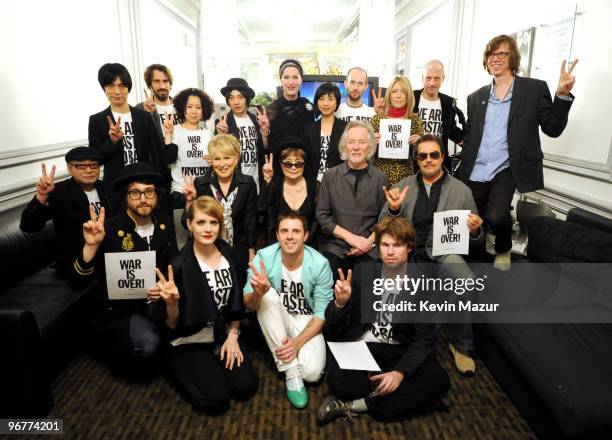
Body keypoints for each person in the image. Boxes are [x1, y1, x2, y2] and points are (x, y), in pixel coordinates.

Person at [316, 216, 449, 424]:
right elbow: (335, 325)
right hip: (365, 345)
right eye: (385, 245)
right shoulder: (365, 272)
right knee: (336, 380)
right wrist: (340, 304)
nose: (390, 252)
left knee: (439, 380)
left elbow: (424, 340)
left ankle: (355, 405)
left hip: (397, 348)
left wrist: (399, 373)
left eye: (397, 245)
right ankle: (404, 398)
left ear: (409, 248)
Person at [461, 35, 577, 270]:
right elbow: (470, 134)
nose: (495, 59)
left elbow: (552, 128)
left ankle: (503, 249)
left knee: (495, 215)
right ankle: (481, 250)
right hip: (477, 167)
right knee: (474, 217)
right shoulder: (476, 98)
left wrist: (562, 95)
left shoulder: (533, 89)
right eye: (491, 55)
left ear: (512, 57)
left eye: (501, 54)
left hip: (507, 167)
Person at [380, 134, 484, 376]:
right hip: (410, 256)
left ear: (443, 157)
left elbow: (477, 239)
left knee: (465, 281)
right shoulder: (402, 186)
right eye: (422, 156)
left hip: (444, 256)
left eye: (434, 155)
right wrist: (394, 209)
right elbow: (382, 227)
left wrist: (476, 230)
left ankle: (461, 346)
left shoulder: (462, 191)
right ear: (416, 160)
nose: (428, 160)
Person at [153, 196, 258, 412]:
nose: (208, 229)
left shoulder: (230, 255)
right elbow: (172, 324)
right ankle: (180, 365)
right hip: (189, 339)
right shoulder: (178, 265)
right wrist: (173, 302)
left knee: (244, 388)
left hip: (222, 334)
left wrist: (233, 335)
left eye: (213, 222)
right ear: (189, 225)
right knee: (216, 400)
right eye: (201, 222)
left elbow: (236, 303)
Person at [69, 163, 177, 371]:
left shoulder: (165, 223)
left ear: (157, 195)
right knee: (148, 345)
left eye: (149, 192)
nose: (143, 198)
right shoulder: (108, 228)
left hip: (158, 302)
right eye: (135, 193)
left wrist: (165, 289)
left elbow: (172, 264)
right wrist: (91, 246)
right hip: (122, 310)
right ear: (125, 197)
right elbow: (75, 282)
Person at [244, 211, 333, 409]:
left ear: (306, 235)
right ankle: (291, 372)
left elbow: (321, 313)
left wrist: (297, 343)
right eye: (284, 231)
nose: (290, 236)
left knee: (312, 374)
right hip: (277, 317)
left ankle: (289, 356)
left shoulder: (320, 264)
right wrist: (257, 293)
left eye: (295, 231)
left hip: (307, 319)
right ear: (277, 235)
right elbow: (248, 305)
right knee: (266, 294)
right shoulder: (263, 258)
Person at [20, 147, 113, 277]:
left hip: (109, 259)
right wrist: (41, 197)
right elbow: (28, 226)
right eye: (80, 166)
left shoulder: (108, 189)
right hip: (74, 263)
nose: (89, 170)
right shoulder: (59, 192)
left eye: (94, 165)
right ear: (69, 169)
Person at [316, 121, 389, 281]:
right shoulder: (330, 176)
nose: (356, 147)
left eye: (362, 142)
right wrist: (351, 238)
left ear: (369, 146)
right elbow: (322, 216)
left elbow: (385, 218)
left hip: (370, 247)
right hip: (336, 247)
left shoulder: (381, 178)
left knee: (367, 286)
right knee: (332, 281)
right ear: (344, 146)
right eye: (351, 142)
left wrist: (367, 242)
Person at [88, 63, 170, 194]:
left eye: (122, 86)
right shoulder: (97, 120)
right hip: (115, 187)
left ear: (128, 87)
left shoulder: (143, 117)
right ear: (104, 88)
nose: (117, 91)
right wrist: (112, 142)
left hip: (144, 184)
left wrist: (163, 189)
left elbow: (157, 154)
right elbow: (94, 160)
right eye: (110, 86)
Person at [184, 134, 257, 278]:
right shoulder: (201, 183)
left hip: (238, 246)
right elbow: (188, 222)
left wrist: (251, 248)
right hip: (207, 247)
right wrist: (190, 201)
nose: (222, 164)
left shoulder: (247, 183)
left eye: (227, 158)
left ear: (236, 159)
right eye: (217, 159)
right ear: (211, 161)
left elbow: (250, 220)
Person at [258, 137, 318, 245]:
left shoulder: (315, 186)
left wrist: (302, 244)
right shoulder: (275, 185)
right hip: (278, 245)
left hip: (308, 245)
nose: (293, 168)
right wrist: (267, 180)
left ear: (305, 164)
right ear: (281, 165)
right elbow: (261, 208)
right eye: (288, 164)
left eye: (298, 164)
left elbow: (317, 221)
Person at [215, 78, 270, 192]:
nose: (236, 102)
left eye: (240, 97)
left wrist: (265, 132)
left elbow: (264, 149)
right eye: (231, 97)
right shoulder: (223, 123)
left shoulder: (256, 120)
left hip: (257, 183)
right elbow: (218, 156)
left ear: (247, 98)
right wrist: (222, 136)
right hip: (234, 184)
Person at [165, 88, 215, 208]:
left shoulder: (209, 134)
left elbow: (217, 166)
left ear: (204, 110)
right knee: (181, 226)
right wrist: (168, 134)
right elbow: (168, 159)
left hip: (205, 192)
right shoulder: (174, 130)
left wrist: (214, 162)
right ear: (183, 108)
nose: (194, 111)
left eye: (198, 107)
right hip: (180, 192)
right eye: (189, 106)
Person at [413, 60, 465, 172]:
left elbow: (451, 131)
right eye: (428, 78)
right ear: (422, 77)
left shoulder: (448, 102)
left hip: (438, 163)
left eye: (436, 78)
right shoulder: (411, 98)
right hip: (413, 162)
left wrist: (472, 144)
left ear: (443, 78)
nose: (432, 83)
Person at [372, 76, 424, 185]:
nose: (398, 96)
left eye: (403, 92)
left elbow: (420, 156)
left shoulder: (415, 120)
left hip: (406, 179)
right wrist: (370, 142)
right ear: (389, 95)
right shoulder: (377, 119)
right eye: (394, 91)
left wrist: (419, 144)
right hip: (379, 178)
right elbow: (367, 154)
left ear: (408, 95)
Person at [266, 59, 315, 169]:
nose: (291, 82)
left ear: (301, 80)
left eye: (295, 77)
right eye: (286, 77)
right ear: (281, 81)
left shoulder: (308, 107)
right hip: (279, 168)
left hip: (304, 167)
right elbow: (266, 146)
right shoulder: (271, 109)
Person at [304, 82, 348, 182]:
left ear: (337, 102)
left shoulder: (346, 128)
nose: (326, 103)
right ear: (316, 102)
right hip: (312, 182)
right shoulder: (308, 129)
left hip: (338, 182)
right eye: (321, 99)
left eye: (330, 99)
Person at [136, 64, 180, 141]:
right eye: (157, 81)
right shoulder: (140, 109)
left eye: (165, 81)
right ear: (150, 85)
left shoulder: (182, 107)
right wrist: (148, 115)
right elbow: (140, 141)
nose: (162, 86)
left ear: (170, 84)